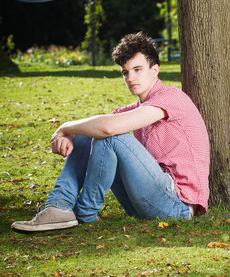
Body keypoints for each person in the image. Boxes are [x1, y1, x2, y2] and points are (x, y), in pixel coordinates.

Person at [12, 32, 210, 232]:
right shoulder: (139, 107)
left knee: (110, 136)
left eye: (137, 69)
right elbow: (98, 123)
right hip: (146, 202)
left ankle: (85, 213)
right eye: (125, 72)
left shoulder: (171, 97)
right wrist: (70, 133)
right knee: (89, 133)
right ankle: (58, 206)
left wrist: (63, 128)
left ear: (155, 70)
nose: (130, 78)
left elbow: (108, 128)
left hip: (177, 206)